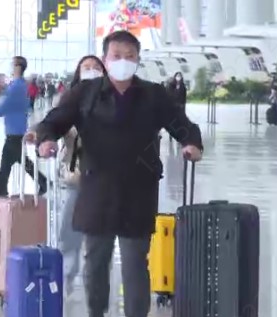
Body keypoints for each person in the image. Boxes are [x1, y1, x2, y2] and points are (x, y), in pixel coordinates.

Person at [31, 31, 203, 317]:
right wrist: (45, 140)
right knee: (95, 262)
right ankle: (96, 312)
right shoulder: (85, 94)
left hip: (139, 190)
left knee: (136, 262)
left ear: (138, 59)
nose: (123, 61)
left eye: (130, 56)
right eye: (117, 56)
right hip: (97, 187)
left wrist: (191, 144)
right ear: (105, 59)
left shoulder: (153, 94)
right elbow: (54, 122)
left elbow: (182, 124)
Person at [27, 55, 106, 298]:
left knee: (99, 236)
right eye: (86, 68)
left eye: (96, 67)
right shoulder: (70, 100)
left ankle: (97, 286)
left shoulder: (113, 101)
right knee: (70, 230)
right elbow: (51, 124)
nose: (91, 71)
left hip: (109, 180)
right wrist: (41, 137)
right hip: (78, 177)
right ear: (78, 73)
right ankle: (65, 279)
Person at [0, 56, 47, 196]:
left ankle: (40, 182)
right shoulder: (19, 85)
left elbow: (2, 109)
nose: (10, 67)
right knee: (13, 159)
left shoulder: (17, 87)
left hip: (15, 130)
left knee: (14, 158)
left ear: (18, 67)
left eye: (12, 64)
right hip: (16, 128)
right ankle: (4, 186)